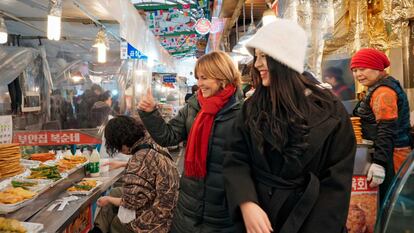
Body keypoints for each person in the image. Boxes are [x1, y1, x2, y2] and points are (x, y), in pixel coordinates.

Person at [223, 19, 356, 233]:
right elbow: (235, 158)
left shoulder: (330, 110)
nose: (256, 64)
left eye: (264, 56)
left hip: (312, 218)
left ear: (284, 60)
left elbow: (336, 183)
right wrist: (246, 203)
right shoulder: (251, 108)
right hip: (259, 220)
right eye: (256, 56)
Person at [138, 51, 243, 232]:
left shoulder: (243, 112)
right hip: (188, 207)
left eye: (204, 78)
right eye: (198, 78)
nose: (199, 83)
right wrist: (150, 113)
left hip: (223, 213)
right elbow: (168, 136)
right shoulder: (194, 107)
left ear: (222, 76)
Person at [90, 116, 179, 233]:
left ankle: (103, 230)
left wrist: (108, 200)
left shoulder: (138, 160)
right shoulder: (152, 141)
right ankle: (98, 229)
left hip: (158, 219)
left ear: (121, 143)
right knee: (115, 192)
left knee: (116, 223)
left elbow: (131, 202)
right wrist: (122, 164)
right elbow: (149, 166)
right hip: (170, 203)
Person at [351, 48, 412, 204]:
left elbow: (386, 130)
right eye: (355, 70)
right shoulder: (377, 88)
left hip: (392, 156)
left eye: (362, 69)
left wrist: (379, 163)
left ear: (378, 68)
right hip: (387, 153)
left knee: (394, 205)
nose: (358, 74)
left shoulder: (383, 92)